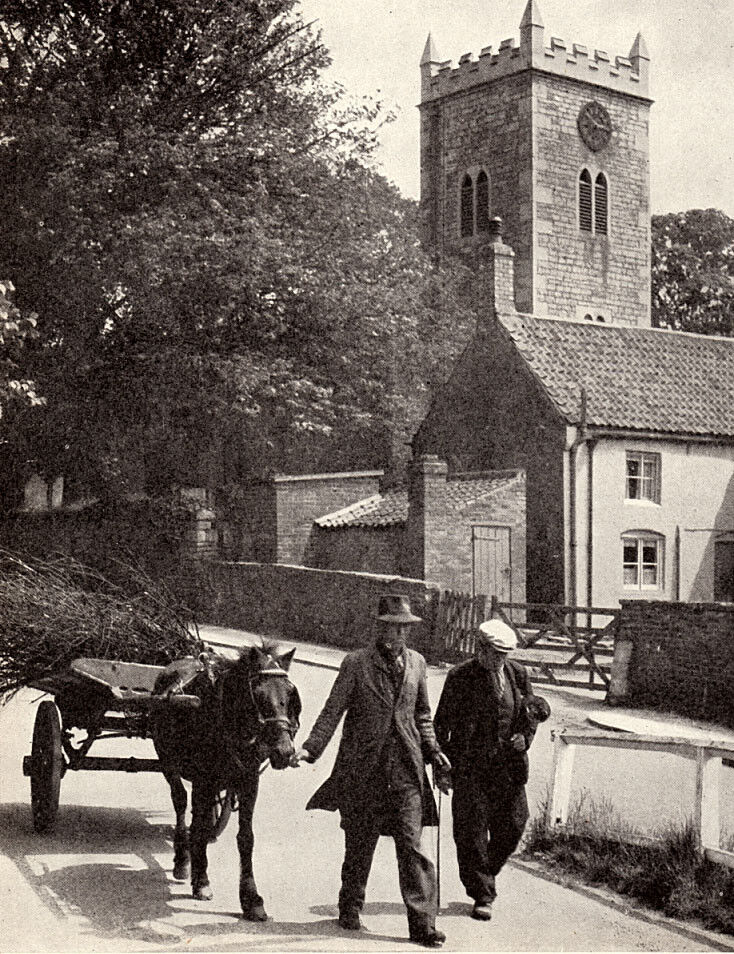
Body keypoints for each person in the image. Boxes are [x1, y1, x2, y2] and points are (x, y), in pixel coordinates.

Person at [291, 593, 452, 948]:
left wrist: (435, 751)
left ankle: (422, 924)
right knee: (360, 844)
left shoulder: (418, 664)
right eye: (391, 628)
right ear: (378, 628)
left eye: (404, 629)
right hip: (365, 771)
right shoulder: (356, 664)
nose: (398, 636)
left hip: (407, 771)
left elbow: (422, 715)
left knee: (412, 846)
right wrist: (309, 748)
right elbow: (332, 712)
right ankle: (350, 904)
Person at [433, 617, 549, 922]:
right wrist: (441, 766)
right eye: (496, 654)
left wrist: (526, 737)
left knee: (514, 825)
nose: (500, 661)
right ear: (480, 649)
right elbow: (441, 724)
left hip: (508, 769)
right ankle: (483, 894)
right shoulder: (460, 677)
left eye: (505, 655)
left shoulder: (517, 674)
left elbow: (532, 714)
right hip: (470, 768)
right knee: (471, 834)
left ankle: (485, 873)